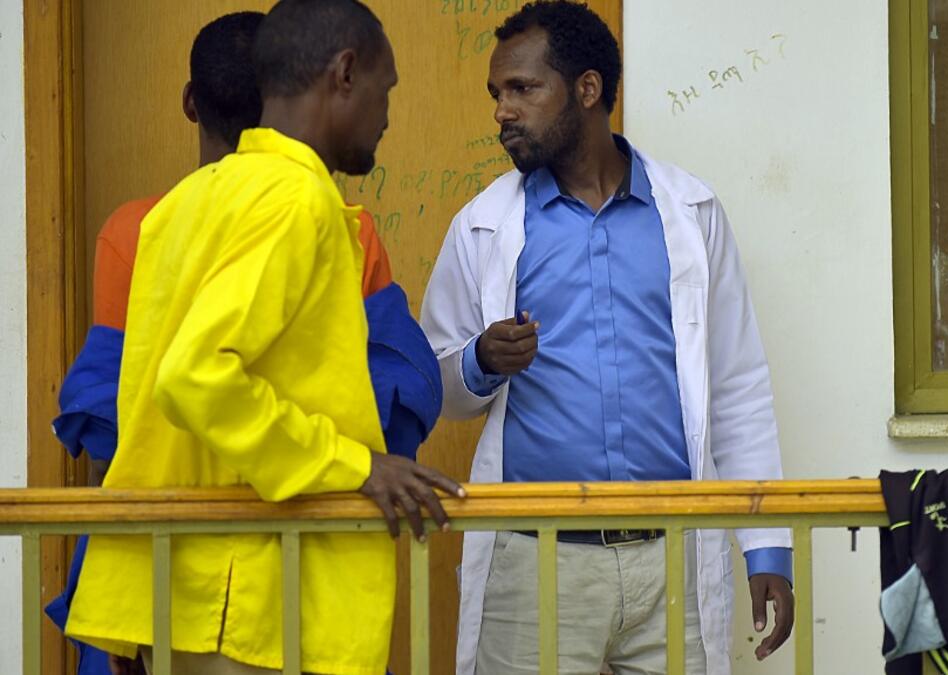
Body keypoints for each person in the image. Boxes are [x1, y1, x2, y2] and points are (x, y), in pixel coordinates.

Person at [65, 2, 462, 673]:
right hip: (250, 595)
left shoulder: (189, 201)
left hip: (190, 586)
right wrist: (356, 464)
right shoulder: (296, 201)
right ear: (344, 74)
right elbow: (194, 374)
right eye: (384, 91)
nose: (388, 115)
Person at [420, 2, 793, 673]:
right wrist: (478, 361)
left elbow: (737, 385)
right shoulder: (482, 227)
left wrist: (765, 548)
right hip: (536, 565)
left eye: (523, 89)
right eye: (496, 94)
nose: (503, 110)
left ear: (587, 90)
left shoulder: (690, 214)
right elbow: (437, 386)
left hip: (673, 557)